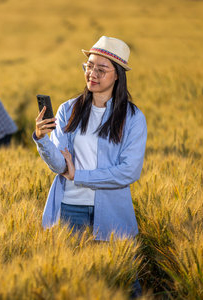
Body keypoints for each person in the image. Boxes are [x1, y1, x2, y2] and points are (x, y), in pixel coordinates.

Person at [33, 36, 147, 297]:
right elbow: (60, 164)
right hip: (69, 210)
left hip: (113, 212)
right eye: (89, 66)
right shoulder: (67, 109)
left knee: (125, 283)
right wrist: (42, 140)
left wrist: (78, 175)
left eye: (101, 69)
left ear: (117, 75)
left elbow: (129, 172)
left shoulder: (132, 117)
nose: (92, 74)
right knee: (73, 283)